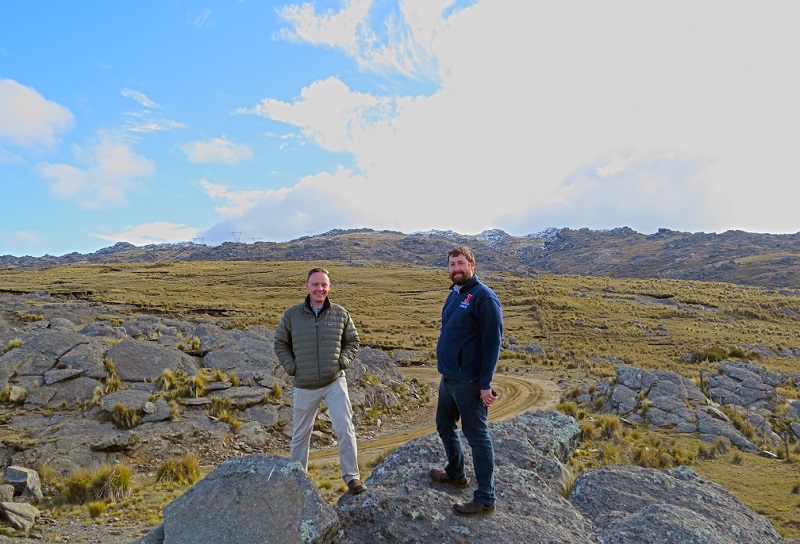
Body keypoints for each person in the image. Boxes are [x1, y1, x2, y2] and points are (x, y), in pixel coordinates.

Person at [273, 267, 366, 494]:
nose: (320, 289)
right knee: (300, 435)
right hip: (304, 384)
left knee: (345, 428)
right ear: (307, 286)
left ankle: (352, 478)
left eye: (324, 284)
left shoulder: (340, 313)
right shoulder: (292, 315)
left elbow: (353, 342)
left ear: (329, 287)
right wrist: (293, 368)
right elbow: (280, 344)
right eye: (315, 284)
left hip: (334, 381)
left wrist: (342, 362)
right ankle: (296, 481)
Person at [431, 245, 503, 515]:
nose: (456, 269)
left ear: (473, 265)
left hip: (470, 382)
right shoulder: (455, 293)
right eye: (452, 264)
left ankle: (485, 498)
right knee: (444, 425)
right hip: (449, 378)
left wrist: (486, 384)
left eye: (460, 263)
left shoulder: (484, 297)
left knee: (477, 437)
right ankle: (455, 472)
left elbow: (493, 343)